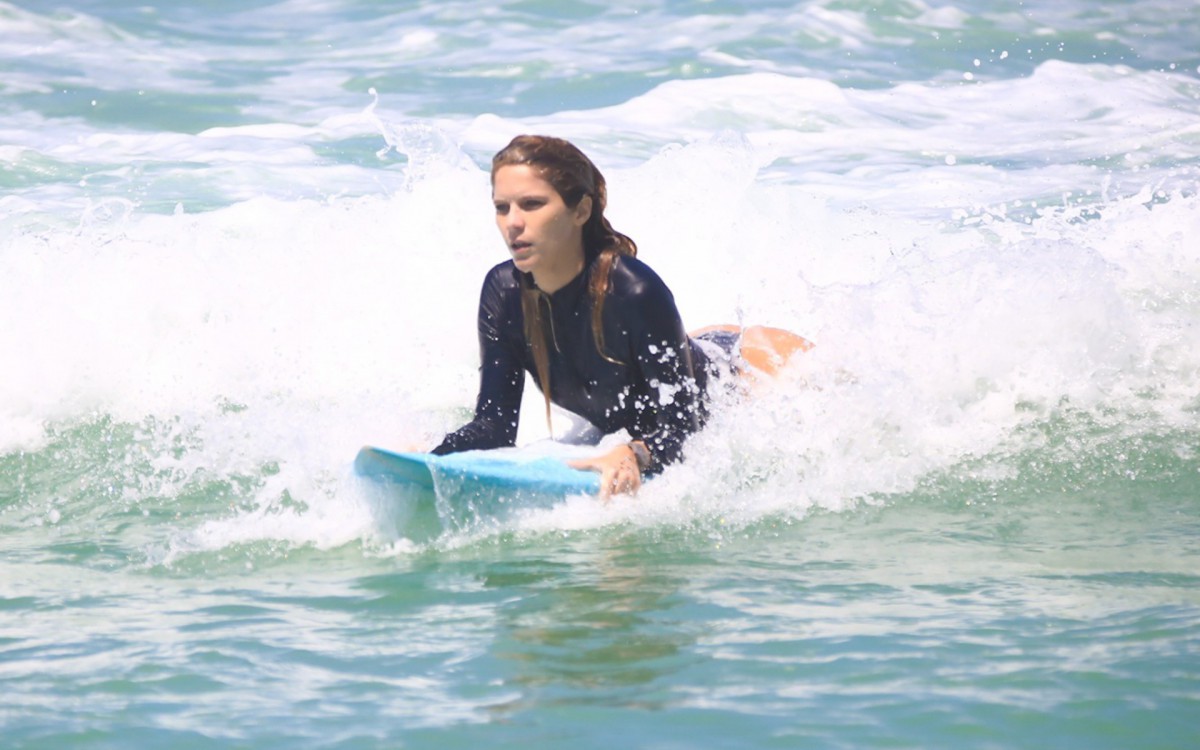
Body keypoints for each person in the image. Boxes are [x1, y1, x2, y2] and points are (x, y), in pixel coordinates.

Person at [431, 135, 810, 497]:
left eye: (532, 204)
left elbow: (684, 430)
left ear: (581, 210)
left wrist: (635, 453)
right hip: (685, 357)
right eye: (502, 207)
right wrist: (434, 456)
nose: (512, 222)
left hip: (746, 373)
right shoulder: (504, 293)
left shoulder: (634, 291)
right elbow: (495, 426)